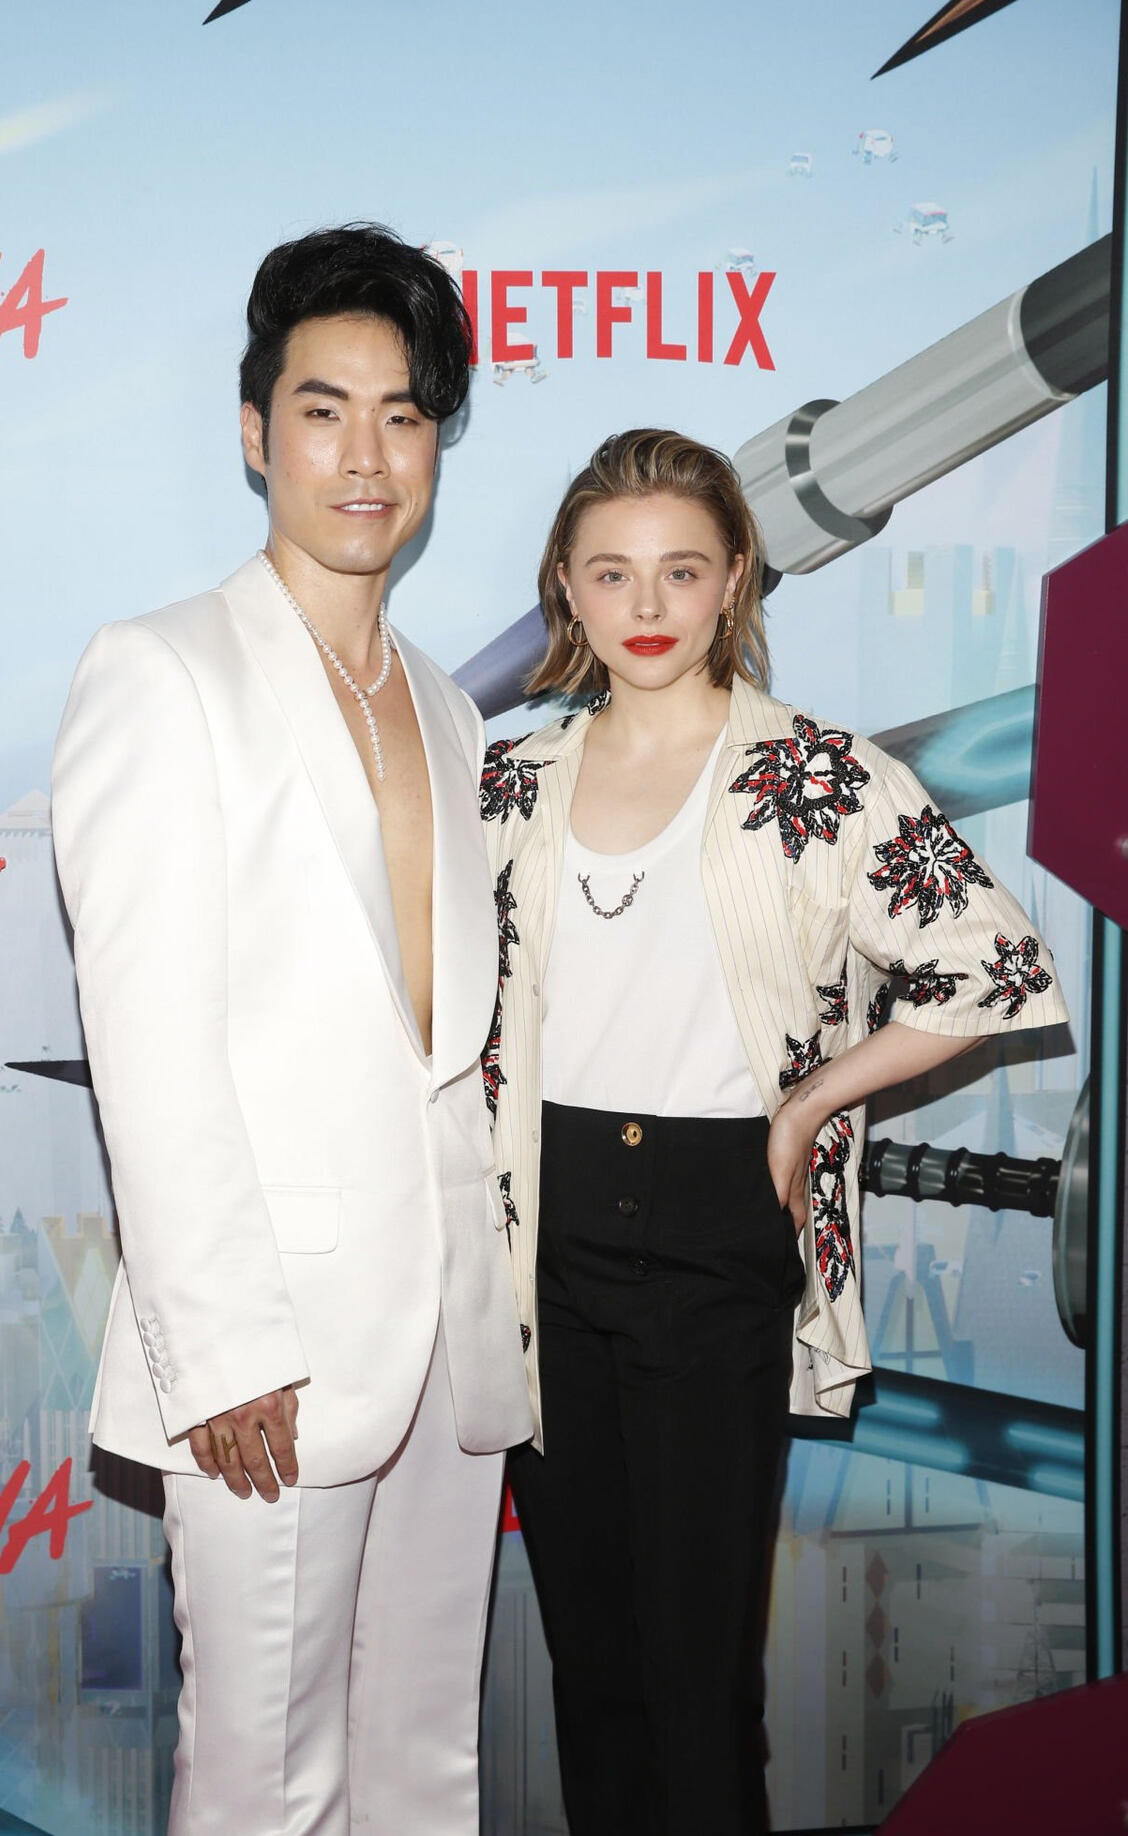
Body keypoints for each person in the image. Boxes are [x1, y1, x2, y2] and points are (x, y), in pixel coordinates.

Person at [481, 428, 1068, 1836]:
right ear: (566, 584)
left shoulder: (818, 776)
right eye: (611, 572)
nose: (647, 605)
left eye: (681, 570)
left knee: (697, 1681)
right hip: (535, 1244)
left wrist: (813, 1100)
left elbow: (996, 968)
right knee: (591, 1670)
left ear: (736, 576)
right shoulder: (510, 783)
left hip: (716, 1232)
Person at [51, 224, 531, 1836]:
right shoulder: (162, 671)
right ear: (257, 433)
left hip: (448, 1333)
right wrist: (222, 1346)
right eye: (325, 411)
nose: (366, 456)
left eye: (404, 415)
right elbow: (149, 1041)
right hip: (271, 1343)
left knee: (425, 1767)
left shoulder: (449, 706)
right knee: (268, 1782)